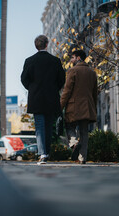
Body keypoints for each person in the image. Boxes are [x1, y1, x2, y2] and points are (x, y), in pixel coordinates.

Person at [21, 35, 65, 165]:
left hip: (36, 98)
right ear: (47, 44)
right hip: (51, 98)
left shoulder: (29, 61)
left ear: (36, 46)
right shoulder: (55, 61)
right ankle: (47, 153)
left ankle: (42, 154)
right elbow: (61, 79)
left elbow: (24, 79)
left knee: (39, 126)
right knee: (48, 127)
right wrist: (54, 88)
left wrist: (32, 88)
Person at [60, 50, 98, 164]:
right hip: (87, 107)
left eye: (72, 57)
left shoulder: (73, 71)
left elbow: (67, 91)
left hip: (74, 107)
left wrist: (60, 106)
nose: (71, 60)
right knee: (84, 132)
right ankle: (82, 158)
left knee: (69, 126)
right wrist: (93, 108)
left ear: (78, 58)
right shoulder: (92, 73)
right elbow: (94, 93)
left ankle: (73, 143)